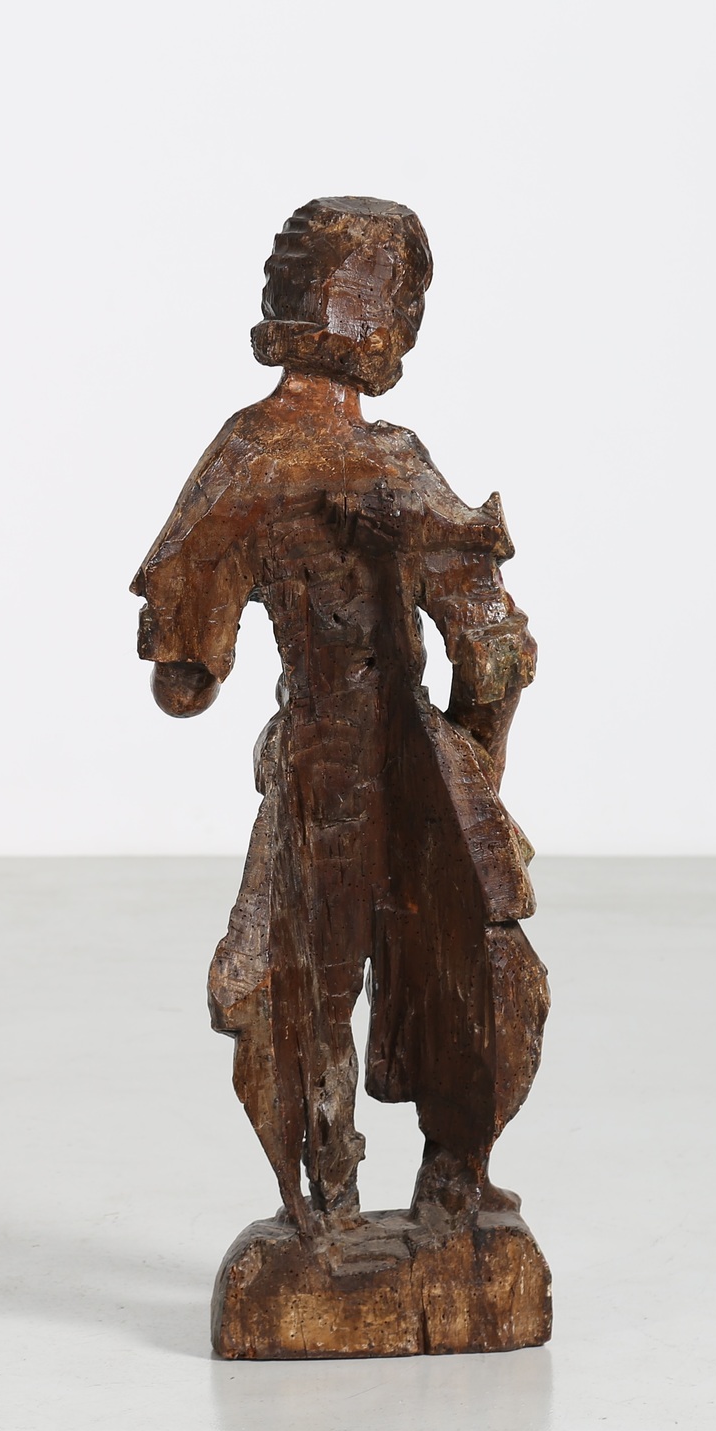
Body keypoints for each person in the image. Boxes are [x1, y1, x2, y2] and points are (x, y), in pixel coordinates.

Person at [131, 196, 549, 1231]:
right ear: (384, 321)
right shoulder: (388, 458)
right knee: (467, 971)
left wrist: (205, 631)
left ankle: (341, 1201)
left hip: (329, 757)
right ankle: (435, 1181)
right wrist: (475, 755)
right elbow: (496, 650)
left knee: (319, 987)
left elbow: (184, 680)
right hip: (396, 764)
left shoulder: (250, 453)